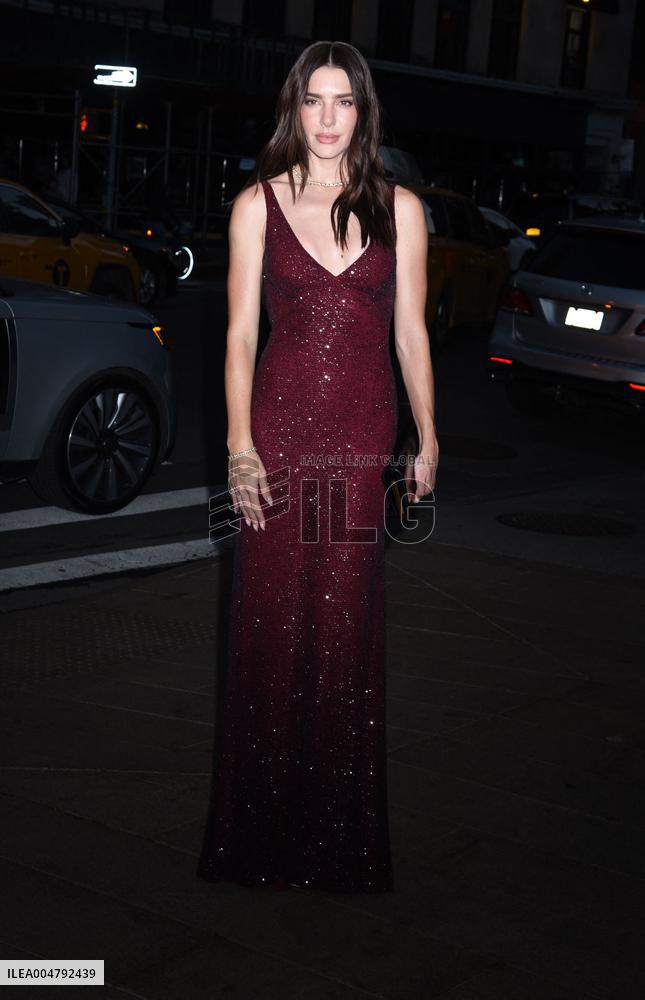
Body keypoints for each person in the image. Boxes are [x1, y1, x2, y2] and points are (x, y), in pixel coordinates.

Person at [197, 40, 438, 893]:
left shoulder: (398, 208)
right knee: (268, 625)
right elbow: (236, 337)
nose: (329, 118)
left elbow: (409, 331)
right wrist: (237, 445)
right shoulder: (255, 206)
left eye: (344, 101)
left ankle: (338, 841)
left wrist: (428, 434)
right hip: (280, 434)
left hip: (361, 436)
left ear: (363, 112)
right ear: (293, 109)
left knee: (341, 628)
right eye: (314, 101)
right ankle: (255, 838)